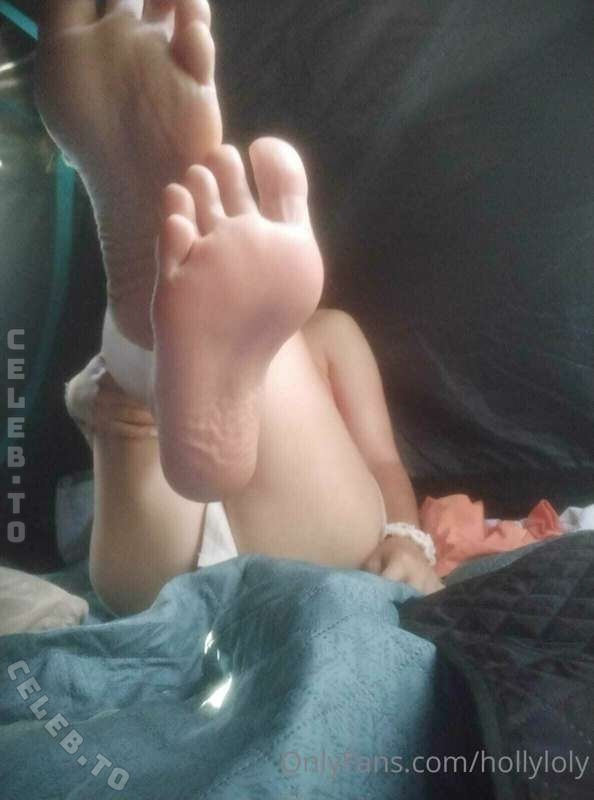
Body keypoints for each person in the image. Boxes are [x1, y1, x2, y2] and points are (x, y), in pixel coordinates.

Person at [37, 0, 443, 615]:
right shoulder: (331, 336)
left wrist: (407, 538)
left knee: (164, 360)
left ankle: (150, 275)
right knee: (135, 390)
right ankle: (152, 318)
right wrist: (93, 406)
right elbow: (383, 463)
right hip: (247, 545)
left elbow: (382, 462)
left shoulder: (333, 335)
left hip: (156, 572)